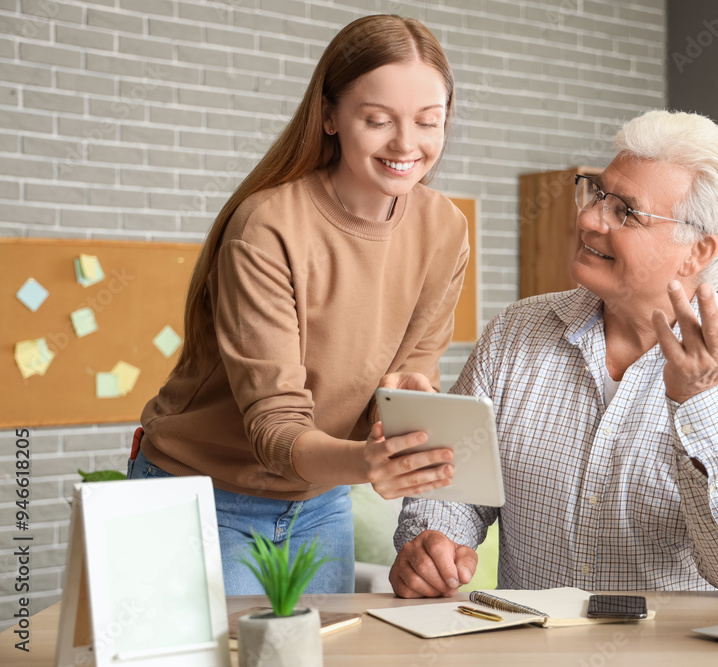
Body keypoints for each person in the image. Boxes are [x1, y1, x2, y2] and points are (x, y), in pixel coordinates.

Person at [390, 110, 718, 600]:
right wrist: (432, 544)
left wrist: (701, 402)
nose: (589, 219)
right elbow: (455, 489)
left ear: (698, 251)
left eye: (625, 211)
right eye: (597, 193)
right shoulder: (513, 333)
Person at [128, 15, 469, 595]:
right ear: (330, 116)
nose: (406, 145)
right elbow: (275, 424)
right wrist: (368, 464)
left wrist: (407, 399)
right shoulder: (268, 225)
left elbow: (410, 371)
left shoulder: (445, 229)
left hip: (318, 499)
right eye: (378, 120)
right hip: (200, 493)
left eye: (428, 122)